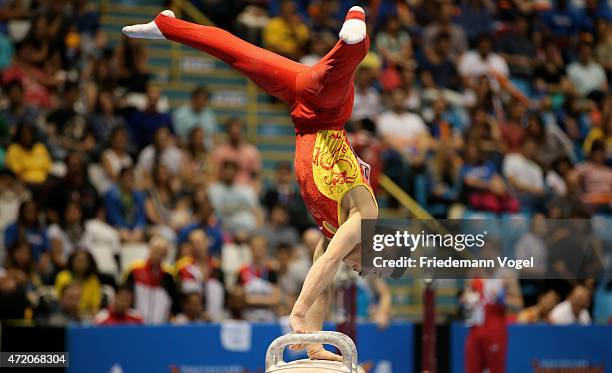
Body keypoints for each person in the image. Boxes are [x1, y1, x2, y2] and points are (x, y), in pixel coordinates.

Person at [123, 6, 378, 360]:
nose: (356, 269)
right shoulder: (362, 223)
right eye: (362, 265)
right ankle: (355, 34)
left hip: (299, 106)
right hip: (325, 112)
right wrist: (298, 314)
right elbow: (328, 265)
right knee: (341, 64)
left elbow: (323, 284)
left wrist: (315, 343)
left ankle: (168, 25)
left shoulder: (334, 234)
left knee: (237, 53)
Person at [124, 235, 180, 324]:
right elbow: (125, 296)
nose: (159, 253)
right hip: (136, 324)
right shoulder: (135, 270)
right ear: (150, 250)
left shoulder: (169, 275)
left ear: (166, 254)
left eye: (163, 251)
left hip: (160, 325)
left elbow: (175, 301)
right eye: (157, 249)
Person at [54, 250, 102, 318]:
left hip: (87, 315)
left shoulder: (93, 280)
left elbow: (95, 306)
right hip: (65, 313)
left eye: (84, 261)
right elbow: (58, 300)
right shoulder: (62, 276)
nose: (81, 263)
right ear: (72, 261)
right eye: (79, 260)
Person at [104, 167, 146, 242]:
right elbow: (112, 215)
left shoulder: (139, 194)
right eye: (126, 179)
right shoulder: (111, 195)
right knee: (124, 236)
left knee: (140, 235)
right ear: (120, 179)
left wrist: (139, 227)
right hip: (117, 226)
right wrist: (123, 228)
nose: (129, 182)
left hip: (134, 226)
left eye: (131, 179)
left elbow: (141, 214)